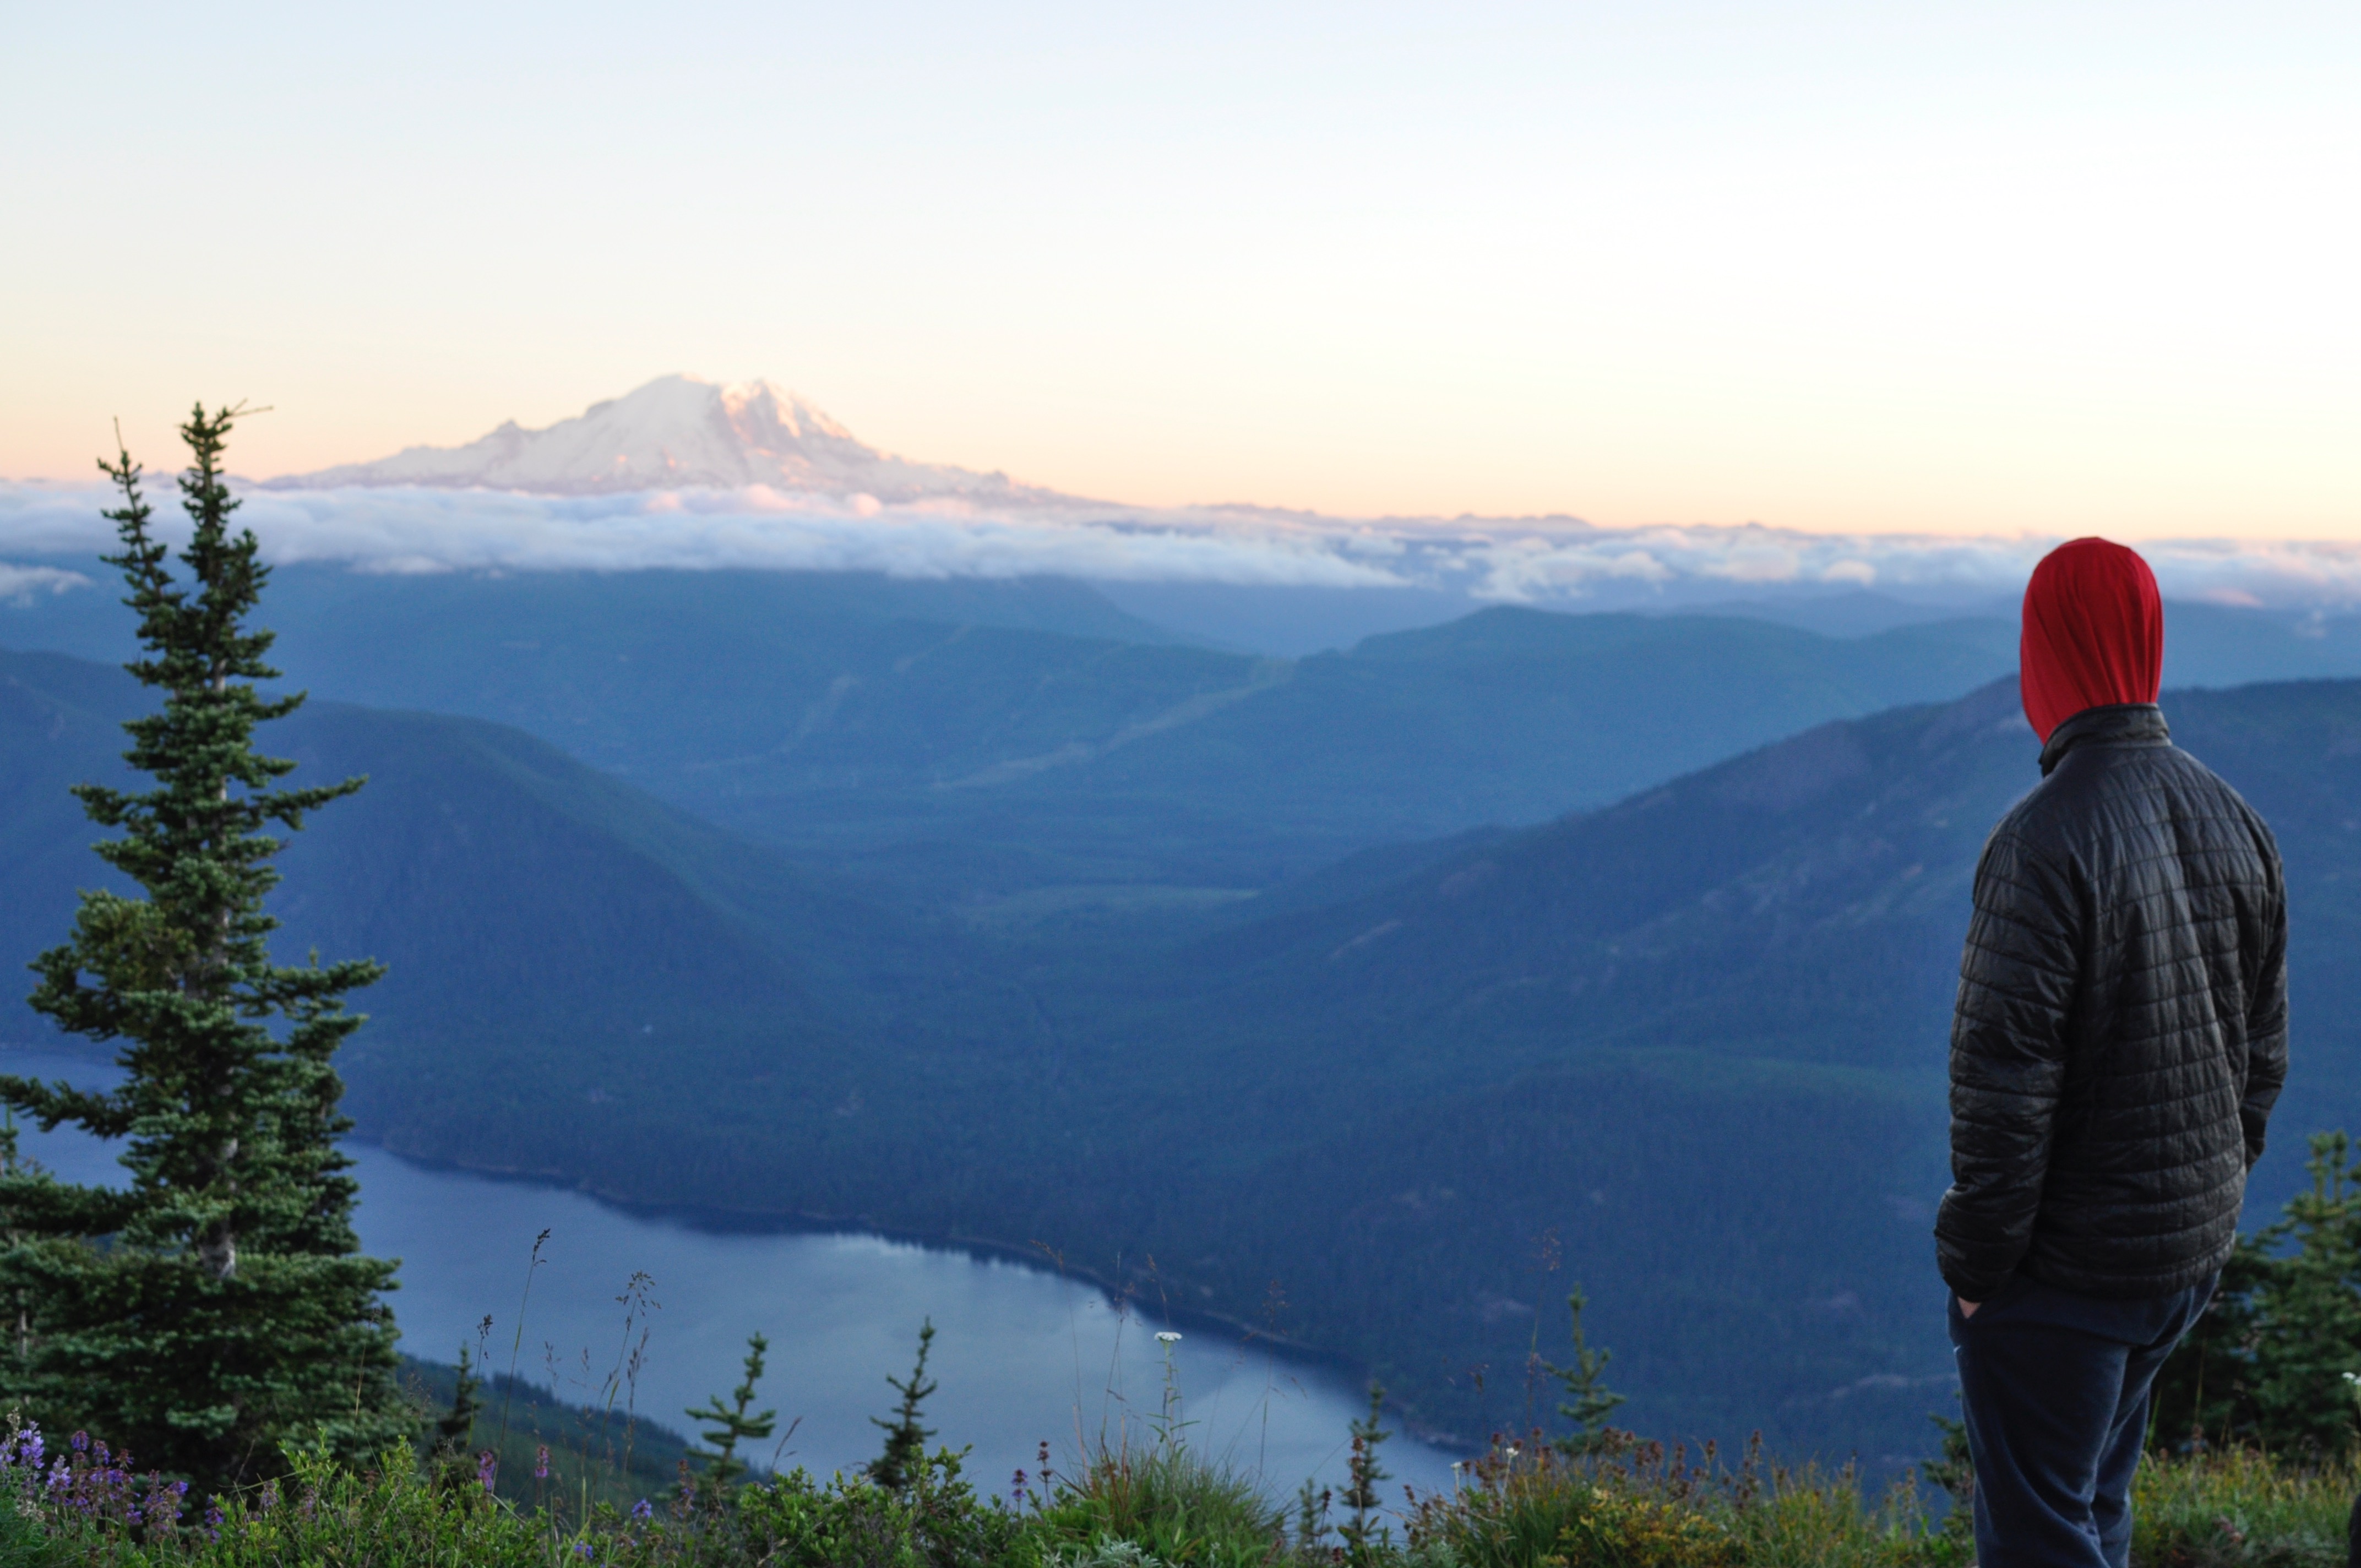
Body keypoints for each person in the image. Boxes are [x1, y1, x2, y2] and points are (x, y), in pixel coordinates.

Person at [1935, 537, 2288, 1568]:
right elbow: (2261, 1056)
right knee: (2095, 1501)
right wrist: (2204, 1199)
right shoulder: (2238, 820)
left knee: (2040, 1533)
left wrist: (1976, 1269)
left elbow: (2002, 1088)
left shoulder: (2042, 841)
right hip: (2180, 1258)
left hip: (2065, 1273)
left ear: (2050, 652)